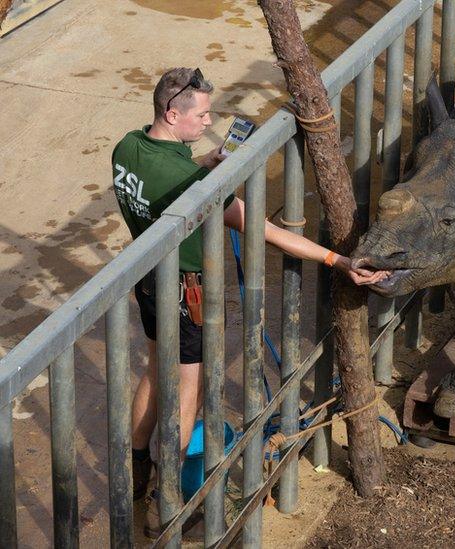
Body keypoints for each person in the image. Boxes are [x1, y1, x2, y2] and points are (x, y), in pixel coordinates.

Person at [111, 67, 386, 538]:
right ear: (172, 113)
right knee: (188, 390)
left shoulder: (128, 148)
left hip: (146, 277)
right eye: (200, 114)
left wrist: (203, 165)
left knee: (157, 366)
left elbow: (164, 181)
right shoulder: (188, 183)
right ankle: (168, 498)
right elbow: (266, 230)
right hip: (184, 287)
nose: (208, 120)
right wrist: (336, 259)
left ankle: (136, 472)